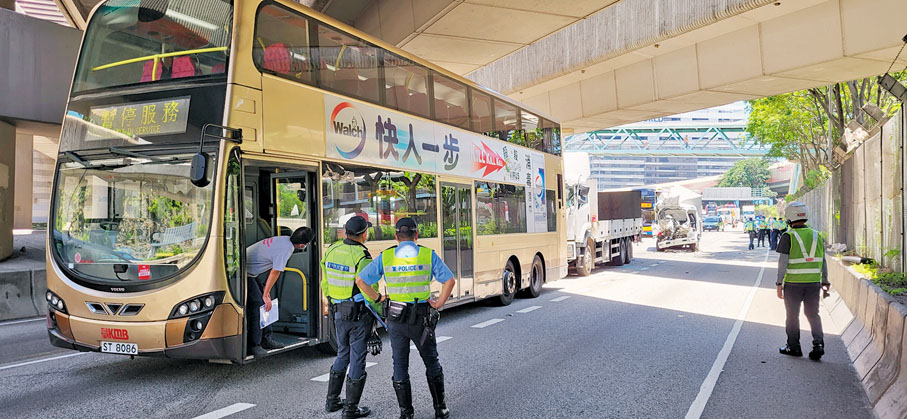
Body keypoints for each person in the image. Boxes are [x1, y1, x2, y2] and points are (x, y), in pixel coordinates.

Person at [356, 218, 455, 419]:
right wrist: (438, 304)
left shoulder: (387, 256)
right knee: (431, 362)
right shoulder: (428, 255)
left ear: (396, 236)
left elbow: (361, 280)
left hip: (396, 319)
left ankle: (406, 413)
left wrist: (377, 297)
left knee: (400, 365)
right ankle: (440, 408)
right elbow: (449, 281)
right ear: (416, 235)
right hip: (421, 320)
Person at [322, 216, 378, 418]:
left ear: (346, 232)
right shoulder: (362, 256)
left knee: (342, 354)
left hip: (338, 310)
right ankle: (351, 409)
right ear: (364, 234)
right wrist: (379, 306)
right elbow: (369, 288)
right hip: (357, 314)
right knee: (357, 358)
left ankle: (332, 401)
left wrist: (333, 299)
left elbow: (325, 281)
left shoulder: (332, 249)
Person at [245, 226, 314, 355]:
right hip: (244, 273)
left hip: (251, 273)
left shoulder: (284, 239)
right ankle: (254, 345)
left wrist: (266, 290)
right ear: (301, 245)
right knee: (259, 305)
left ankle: (266, 339)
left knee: (266, 305)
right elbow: (275, 272)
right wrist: (265, 294)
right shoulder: (287, 249)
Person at [776, 202, 829, 360]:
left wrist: (779, 284)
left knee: (792, 315)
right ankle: (818, 345)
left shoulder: (788, 236)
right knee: (813, 314)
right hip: (814, 283)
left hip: (793, 284)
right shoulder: (817, 235)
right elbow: (823, 261)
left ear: (789, 217)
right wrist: (825, 281)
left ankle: (794, 347)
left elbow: (783, 263)